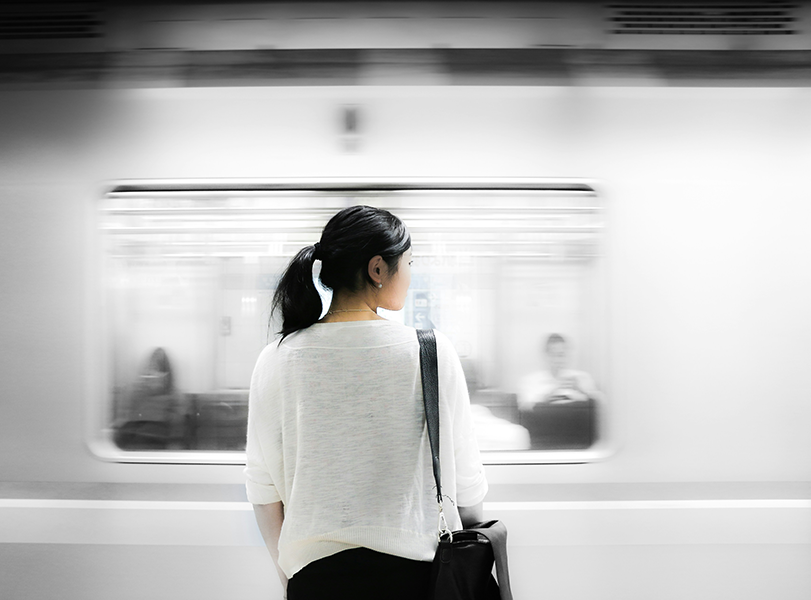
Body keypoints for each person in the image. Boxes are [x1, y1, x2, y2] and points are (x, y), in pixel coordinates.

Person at [245, 205, 488, 600]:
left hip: (315, 580)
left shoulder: (275, 358)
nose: (410, 275)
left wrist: (292, 578)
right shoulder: (431, 351)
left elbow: (263, 488)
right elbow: (467, 485)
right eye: (408, 262)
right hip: (419, 579)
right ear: (378, 269)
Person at [517, 333, 603, 411]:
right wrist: (549, 395)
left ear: (567, 355)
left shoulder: (581, 378)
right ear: (546, 356)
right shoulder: (530, 381)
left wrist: (580, 389)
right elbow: (524, 409)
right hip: (543, 424)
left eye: (561, 355)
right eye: (553, 355)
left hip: (577, 424)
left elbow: (602, 404)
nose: (557, 360)